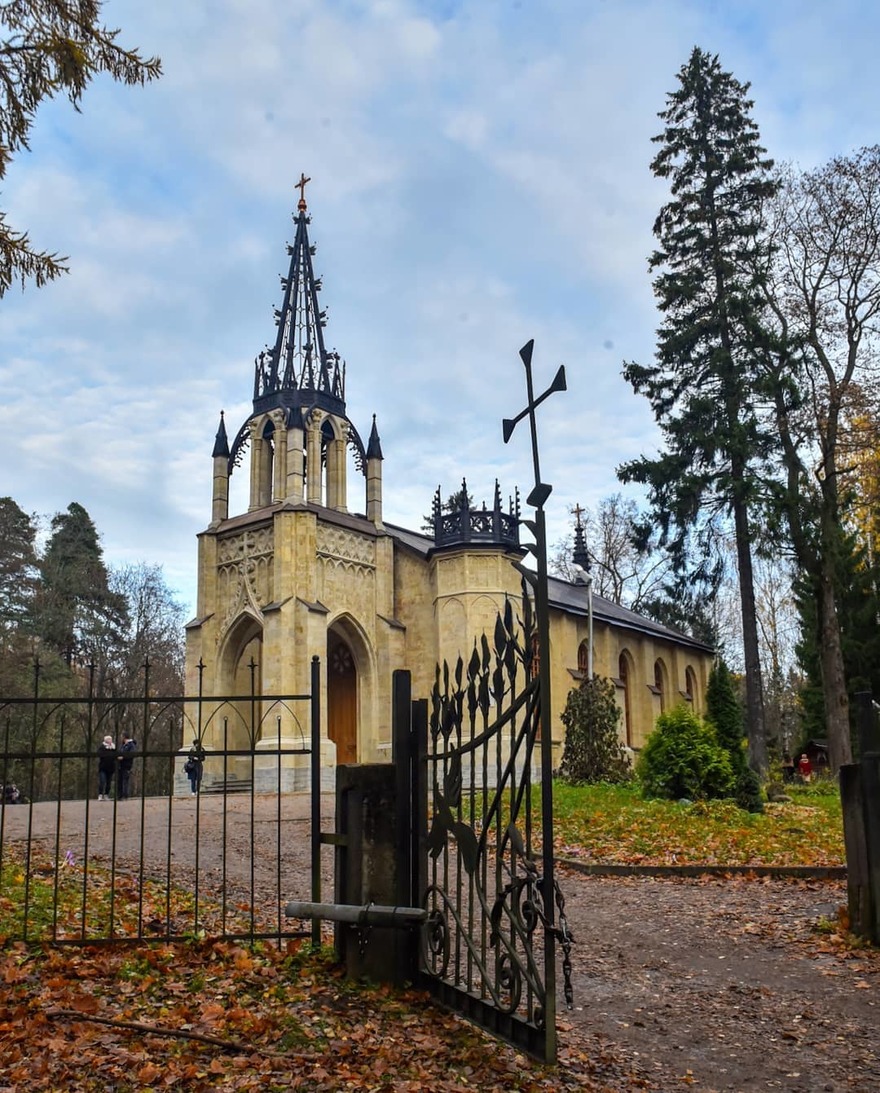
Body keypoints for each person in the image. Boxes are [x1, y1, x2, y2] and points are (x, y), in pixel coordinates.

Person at [97, 735, 116, 800]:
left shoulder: (113, 747)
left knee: (109, 782)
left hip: (111, 768)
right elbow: (99, 754)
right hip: (103, 767)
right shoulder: (102, 747)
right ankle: (100, 795)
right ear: (106, 740)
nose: (110, 741)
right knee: (102, 781)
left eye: (111, 739)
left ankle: (106, 794)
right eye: (109, 739)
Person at [118, 733, 137, 799]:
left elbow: (132, 754)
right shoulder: (123, 745)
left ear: (124, 737)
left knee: (125, 780)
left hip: (126, 764)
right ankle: (119, 795)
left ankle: (125, 794)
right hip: (120, 764)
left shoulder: (131, 745)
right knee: (120, 779)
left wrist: (123, 757)